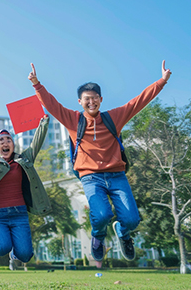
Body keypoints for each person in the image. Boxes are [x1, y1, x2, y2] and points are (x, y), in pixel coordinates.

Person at [28, 61, 172, 262]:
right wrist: (36, 84)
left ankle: (122, 233)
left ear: (101, 99)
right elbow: (52, 105)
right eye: (87, 99)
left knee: (131, 220)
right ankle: (98, 237)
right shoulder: (73, 120)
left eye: (95, 98)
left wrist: (162, 81)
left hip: (117, 176)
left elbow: (138, 101)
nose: (91, 102)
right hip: (90, 177)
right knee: (102, 214)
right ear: (80, 101)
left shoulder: (114, 117)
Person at [0, 117, 51, 270]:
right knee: (2, 248)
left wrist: (43, 123)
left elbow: (36, 143)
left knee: (25, 255)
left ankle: (15, 253)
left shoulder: (24, 160)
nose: (5, 142)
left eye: (8, 139)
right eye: (1, 140)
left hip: (19, 214)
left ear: (13, 144)